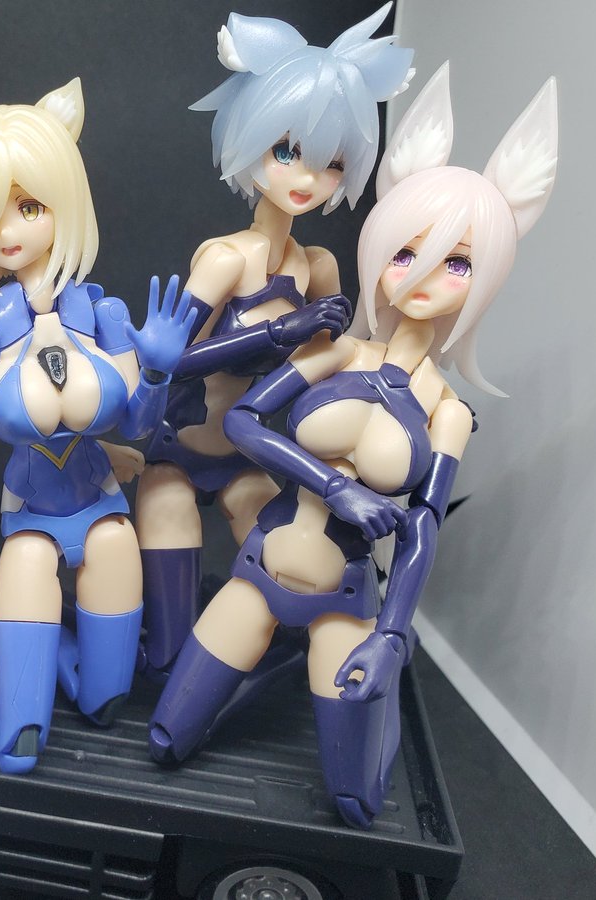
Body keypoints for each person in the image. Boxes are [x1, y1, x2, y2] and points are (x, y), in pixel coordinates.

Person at [149, 65, 559, 827]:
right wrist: (336, 486)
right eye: (407, 253)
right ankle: (264, 676)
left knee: (356, 799)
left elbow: (423, 531)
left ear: (486, 279)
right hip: (256, 571)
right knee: (167, 738)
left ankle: (361, 705)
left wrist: (394, 635)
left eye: (458, 264)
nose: (424, 279)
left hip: (345, 599)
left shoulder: (448, 414)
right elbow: (244, 423)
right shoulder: (337, 350)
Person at [0, 79, 195, 773]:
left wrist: (157, 373)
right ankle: (10, 683)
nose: (9, 231)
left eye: (29, 206)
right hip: (31, 509)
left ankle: (86, 680)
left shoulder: (101, 313)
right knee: (30, 571)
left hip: (100, 498)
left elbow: (137, 425)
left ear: (63, 203)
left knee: (108, 677)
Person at [135, 5, 414, 679]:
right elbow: (173, 363)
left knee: (283, 585)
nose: (306, 178)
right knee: (167, 644)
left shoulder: (318, 267)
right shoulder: (226, 259)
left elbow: (344, 363)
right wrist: (274, 332)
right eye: (286, 151)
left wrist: (421, 394)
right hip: (180, 448)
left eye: (331, 162)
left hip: (252, 456)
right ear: (250, 141)